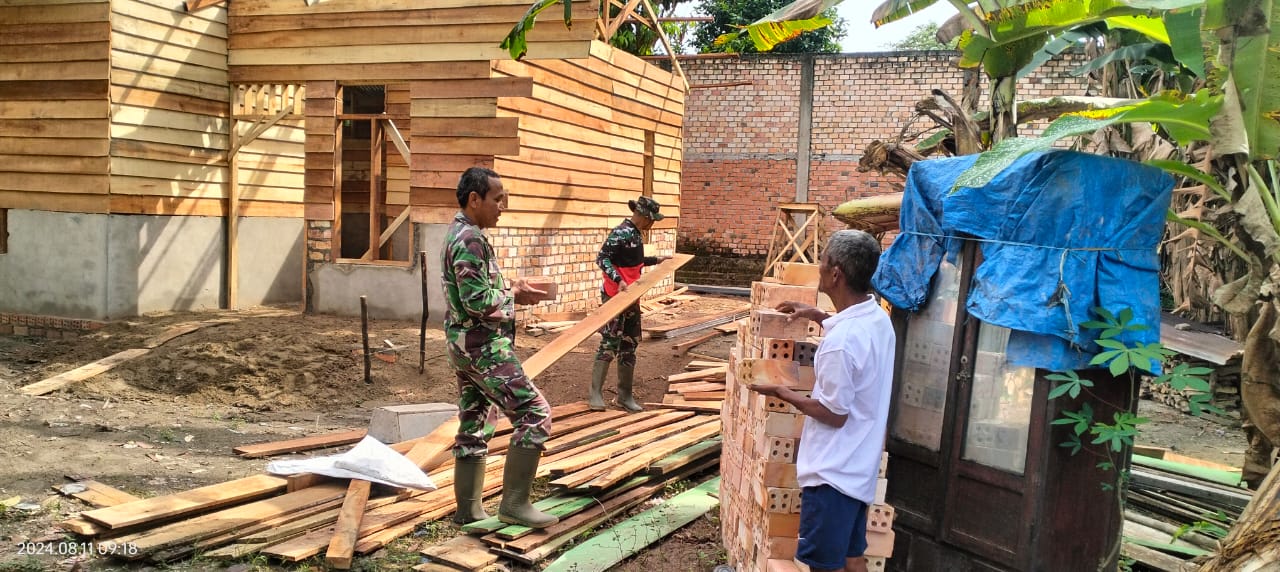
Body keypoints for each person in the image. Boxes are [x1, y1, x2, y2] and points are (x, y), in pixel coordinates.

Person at [748, 230, 895, 572]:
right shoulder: (877, 320)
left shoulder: (840, 343)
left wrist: (782, 392)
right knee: (852, 556)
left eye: (823, 260)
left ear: (836, 273)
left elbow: (833, 414)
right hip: (859, 468)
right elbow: (853, 346)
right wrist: (817, 315)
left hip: (833, 476)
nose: (819, 266)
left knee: (823, 565)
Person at [442, 167, 558, 529]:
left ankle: (469, 510)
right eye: (497, 199)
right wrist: (515, 295)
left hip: (464, 345)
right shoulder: (469, 239)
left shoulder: (463, 233)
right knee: (535, 412)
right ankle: (515, 504)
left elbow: (476, 286)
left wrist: (509, 284)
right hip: (483, 347)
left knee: (475, 421)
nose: (502, 206)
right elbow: (477, 301)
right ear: (474, 199)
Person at [590, 196, 671, 412]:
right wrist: (618, 280)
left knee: (630, 343)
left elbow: (635, 262)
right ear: (644, 216)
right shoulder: (620, 232)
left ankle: (625, 396)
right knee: (610, 341)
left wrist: (658, 260)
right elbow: (602, 259)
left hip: (632, 296)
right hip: (615, 295)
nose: (652, 224)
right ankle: (595, 395)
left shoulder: (636, 234)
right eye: (652, 220)